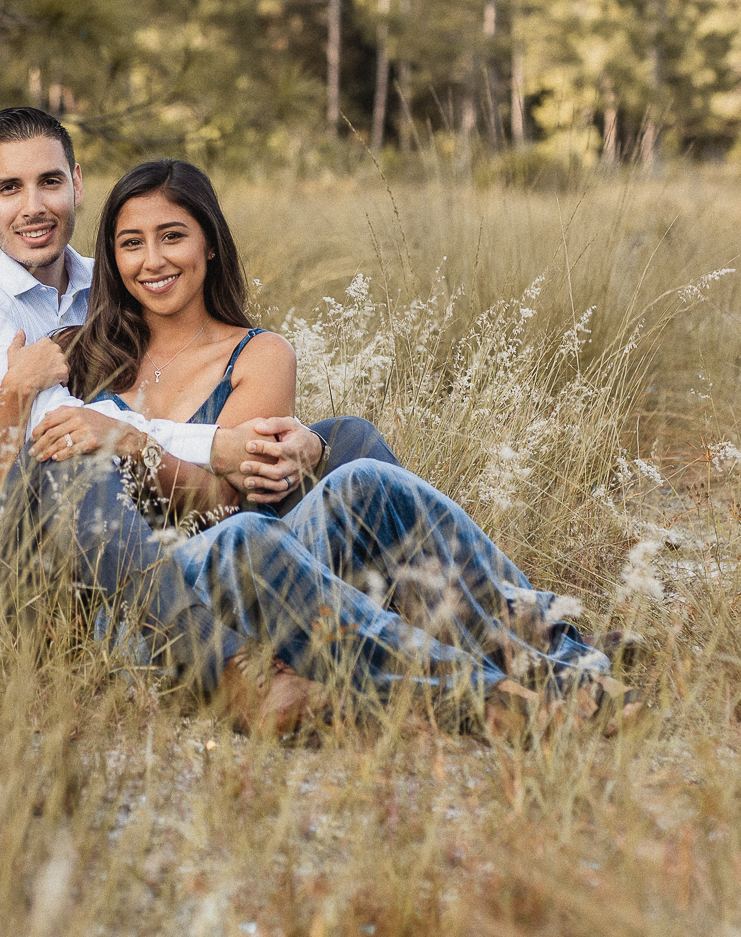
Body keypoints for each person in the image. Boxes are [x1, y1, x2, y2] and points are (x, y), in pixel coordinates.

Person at [33, 158, 633, 727]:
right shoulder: (75, 355)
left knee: (363, 479)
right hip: (160, 607)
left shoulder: (258, 354)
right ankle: (488, 695)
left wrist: (133, 442)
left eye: (172, 236)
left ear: (209, 243)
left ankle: (560, 664)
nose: (152, 260)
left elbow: (225, 500)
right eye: (130, 242)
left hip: (265, 564)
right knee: (251, 534)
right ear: (110, 257)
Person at [0, 108, 358, 732]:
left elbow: (168, 420)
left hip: (135, 551)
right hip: (9, 568)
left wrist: (305, 442)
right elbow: (57, 432)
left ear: (76, 181)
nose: (33, 206)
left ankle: (414, 622)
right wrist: (217, 445)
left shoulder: (111, 293)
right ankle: (230, 670)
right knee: (73, 463)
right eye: (7, 188)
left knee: (348, 438)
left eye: (48, 182)